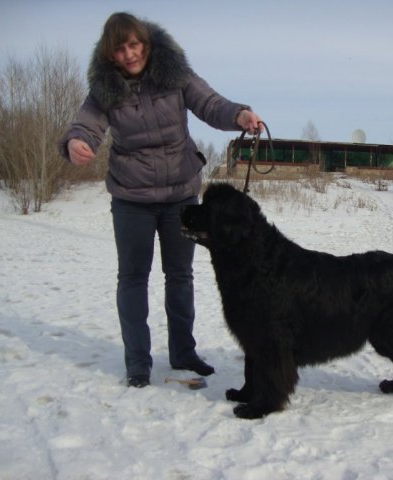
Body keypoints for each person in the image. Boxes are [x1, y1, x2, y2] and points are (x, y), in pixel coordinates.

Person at [59, 12, 262, 388]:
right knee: (133, 278)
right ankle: (138, 362)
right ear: (110, 54)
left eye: (134, 45)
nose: (129, 55)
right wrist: (75, 143)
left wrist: (239, 115)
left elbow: (211, 104)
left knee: (180, 277)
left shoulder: (175, 74)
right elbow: (86, 124)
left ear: (146, 44)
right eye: (120, 49)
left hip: (180, 196)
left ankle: (183, 352)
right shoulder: (104, 89)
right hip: (131, 198)